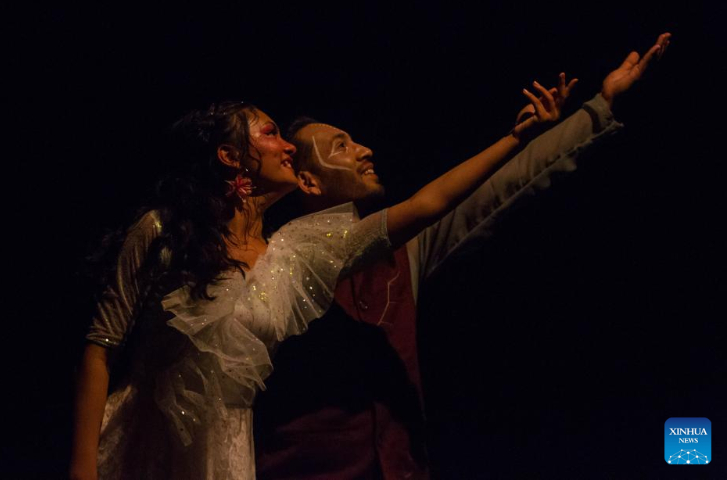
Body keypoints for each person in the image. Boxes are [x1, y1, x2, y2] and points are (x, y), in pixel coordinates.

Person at [253, 34, 671, 479]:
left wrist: (598, 108)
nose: (364, 149)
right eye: (341, 146)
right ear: (308, 182)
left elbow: (496, 191)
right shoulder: (274, 262)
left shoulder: (398, 256)